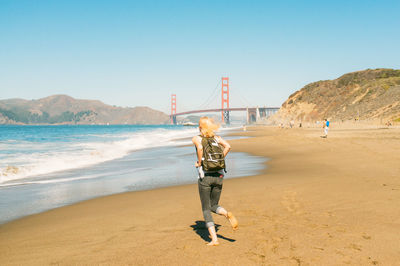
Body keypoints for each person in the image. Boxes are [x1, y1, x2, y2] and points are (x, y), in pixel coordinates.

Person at [192, 117, 238, 246]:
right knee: (214, 205)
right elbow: (228, 146)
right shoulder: (217, 138)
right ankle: (226, 213)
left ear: (200, 127)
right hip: (219, 176)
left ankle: (214, 239)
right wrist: (219, 160)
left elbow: (200, 148)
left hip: (205, 177)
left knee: (206, 209)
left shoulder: (196, 138)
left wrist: (200, 163)